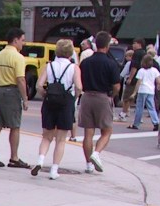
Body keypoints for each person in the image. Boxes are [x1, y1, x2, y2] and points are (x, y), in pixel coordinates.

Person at [32, 38, 81, 180]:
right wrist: (74, 97)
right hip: (66, 102)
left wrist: (45, 95)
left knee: (46, 136)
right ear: (70, 52)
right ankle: (54, 170)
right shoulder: (73, 68)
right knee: (61, 139)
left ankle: (40, 161)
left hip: (50, 101)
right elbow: (79, 87)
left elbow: (39, 85)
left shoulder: (49, 66)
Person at [77, 30, 121, 173]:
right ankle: (96, 153)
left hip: (87, 96)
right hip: (103, 96)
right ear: (107, 45)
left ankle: (88, 164)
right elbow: (116, 86)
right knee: (107, 130)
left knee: (88, 133)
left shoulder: (86, 62)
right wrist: (112, 96)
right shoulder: (110, 63)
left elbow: (80, 80)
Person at [0, 27, 30, 169]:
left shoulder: (0, 55)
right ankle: (14, 157)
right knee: (15, 126)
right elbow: (20, 79)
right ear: (16, 40)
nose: (23, 43)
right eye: (22, 40)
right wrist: (25, 98)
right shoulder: (18, 57)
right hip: (11, 92)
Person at [129, 54, 160, 130]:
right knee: (151, 108)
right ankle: (156, 122)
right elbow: (158, 80)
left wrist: (134, 92)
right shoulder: (154, 70)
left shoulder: (141, 71)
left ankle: (136, 123)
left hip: (142, 90)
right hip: (151, 91)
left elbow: (139, 82)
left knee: (139, 108)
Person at [119, 38, 146, 121]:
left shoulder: (136, 54)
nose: (133, 45)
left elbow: (134, 66)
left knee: (127, 96)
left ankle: (123, 113)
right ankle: (139, 117)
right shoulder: (144, 53)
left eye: (135, 43)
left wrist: (130, 78)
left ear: (139, 44)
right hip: (142, 78)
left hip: (134, 78)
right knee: (139, 98)